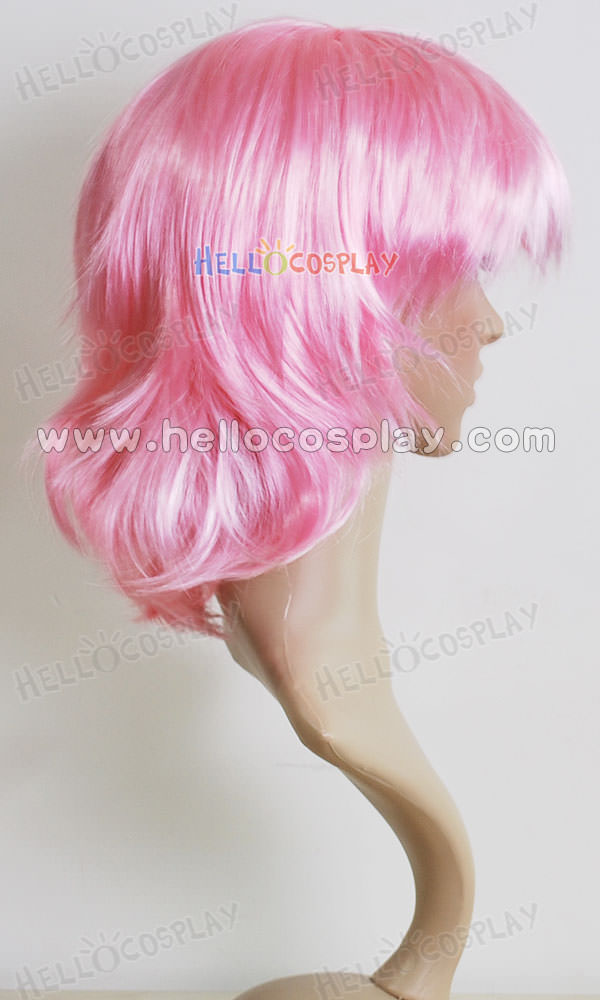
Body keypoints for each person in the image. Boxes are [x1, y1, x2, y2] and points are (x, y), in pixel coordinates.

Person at [33, 18, 569, 1000]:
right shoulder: (322, 681)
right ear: (321, 296)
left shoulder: (318, 642)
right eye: (455, 268)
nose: (493, 321)